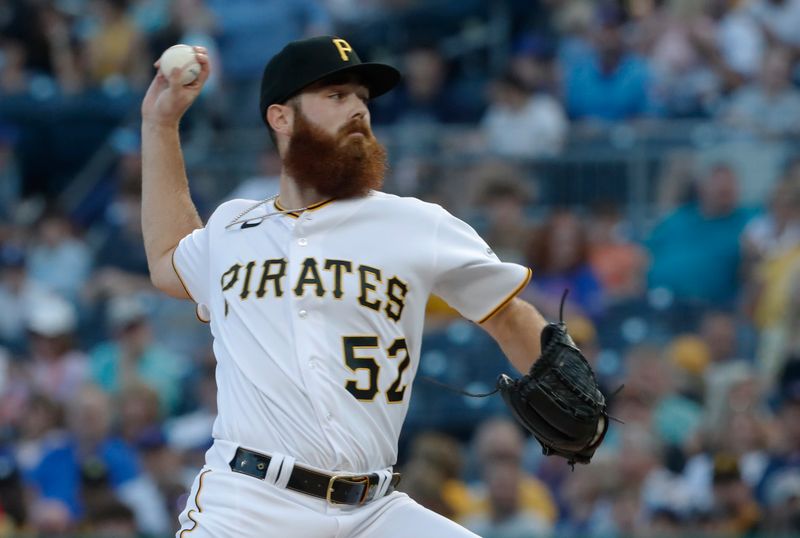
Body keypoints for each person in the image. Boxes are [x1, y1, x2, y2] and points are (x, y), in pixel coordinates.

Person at [141, 36, 550, 537]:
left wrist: (573, 389)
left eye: (361, 97)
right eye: (336, 96)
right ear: (281, 118)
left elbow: (507, 314)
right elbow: (167, 259)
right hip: (250, 504)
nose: (358, 108)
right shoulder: (232, 227)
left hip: (374, 510)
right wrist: (161, 124)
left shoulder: (414, 222)